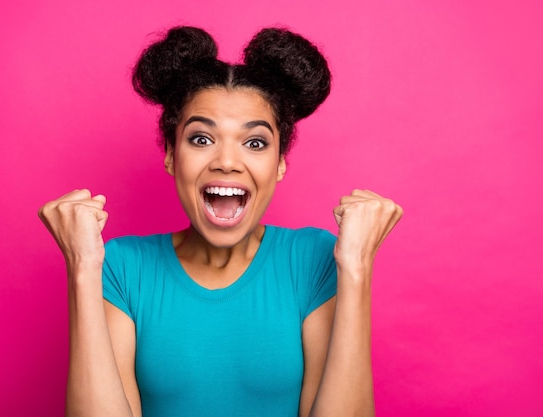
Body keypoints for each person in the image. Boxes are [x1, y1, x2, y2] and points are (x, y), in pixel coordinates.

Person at [39, 26, 403, 417]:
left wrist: (358, 268)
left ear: (280, 163)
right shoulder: (121, 269)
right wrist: (82, 267)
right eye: (201, 139)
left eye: (255, 143)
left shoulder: (312, 260)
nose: (227, 161)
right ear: (170, 155)